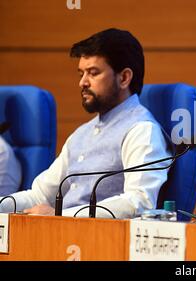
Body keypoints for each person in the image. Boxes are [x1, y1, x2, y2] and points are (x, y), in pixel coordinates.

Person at [0, 28, 172, 218]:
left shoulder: (142, 130)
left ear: (124, 78)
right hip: (59, 236)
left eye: (93, 73)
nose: (82, 82)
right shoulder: (81, 134)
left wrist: (60, 217)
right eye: (81, 73)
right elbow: (40, 196)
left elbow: (138, 203)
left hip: (101, 242)